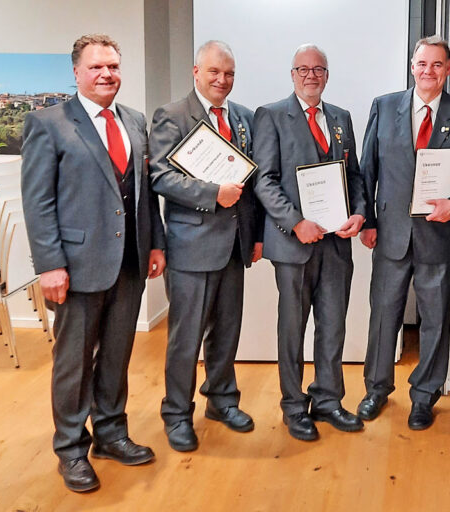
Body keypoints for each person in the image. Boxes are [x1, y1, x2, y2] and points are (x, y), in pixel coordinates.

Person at [21, 34, 165, 492]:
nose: (107, 74)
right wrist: (50, 264)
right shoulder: (49, 123)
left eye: (114, 67)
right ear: (77, 73)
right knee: (74, 363)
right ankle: (70, 449)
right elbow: (38, 201)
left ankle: (110, 433)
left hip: (129, 262)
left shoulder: (135, 122)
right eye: (97, 67)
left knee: (116, 356)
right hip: (76, 266)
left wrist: (155, 244)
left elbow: (144, 197)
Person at [357, 35, 450, 430]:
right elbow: (367, 172)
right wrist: (369, 221)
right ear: (412, 66)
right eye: (422, 64)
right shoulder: (384, 106)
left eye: (437, 65)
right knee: (383, 316)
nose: (429, 71)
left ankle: (425, 395)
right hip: (390, 234)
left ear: (447, 69)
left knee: (435, 319)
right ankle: (376, 389)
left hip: (437, 235)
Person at [149, 40, 264, 452]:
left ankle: (221, 401)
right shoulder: (173, 116)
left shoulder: (245, 118)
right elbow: (160, 177)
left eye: (229, 74)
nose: (222, 80)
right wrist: (213, 193)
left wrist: (256, 236)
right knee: (186, 338)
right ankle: (177, 414)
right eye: (214, 72)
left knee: (227, 331)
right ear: (195, 72)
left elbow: (254, 187)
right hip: (191, 247)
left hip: (234, 245)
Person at [253, 44, 367, 441]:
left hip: (336, 244)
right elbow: (263, 180)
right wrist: (295, 222)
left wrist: (360, 213)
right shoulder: (271, 116)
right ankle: (292, 405)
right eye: (303, 69)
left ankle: (329, 399)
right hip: (294, 245)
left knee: (333, 325)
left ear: (327, 75)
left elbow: (353, 175)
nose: (311, 75)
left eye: (318, 69)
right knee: (292, 328)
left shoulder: (341, 118)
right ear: (292, 74)